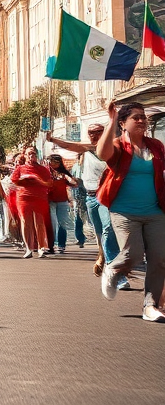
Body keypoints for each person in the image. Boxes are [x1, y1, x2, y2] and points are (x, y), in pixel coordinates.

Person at [94, 101, 165, 323]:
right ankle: (112, 269)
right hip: (124, 211)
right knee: (133, 254)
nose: (142, 120)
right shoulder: (118, 145)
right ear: (124, 123)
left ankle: (150, 306)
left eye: (143, 117)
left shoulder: (155, 146)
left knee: (159, 259)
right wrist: (111, 120)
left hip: (155, 211)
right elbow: (102, 153)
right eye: (136, 117)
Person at [47, 125, 124, 288]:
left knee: (108, 230)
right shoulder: (86, 150)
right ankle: (103, 257)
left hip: (105, 195)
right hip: (89, 197)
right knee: (98, 233)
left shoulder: (109, 148)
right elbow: (71, 147)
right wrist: (53, 139)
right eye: (90, 132)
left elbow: (71, 146)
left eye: (97, 132)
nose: (93, 135)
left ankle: (116, 272)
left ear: (104, 133)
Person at [10, 146, 53, 258]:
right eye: (29, 154)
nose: (31, 156)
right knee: (25, 222)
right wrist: (24, 180)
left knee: (39, 222)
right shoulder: (20, 168)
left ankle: (41, 247)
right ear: (25, 155)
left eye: (33, 153)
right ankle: (28, 248)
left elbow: (49, 184)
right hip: (24, 198)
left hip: (39, 198)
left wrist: (37, 180)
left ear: (36, 155)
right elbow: (14, 181)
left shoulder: (43, 169)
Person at [45, 154, 79, 255]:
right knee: (52, 223)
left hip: (62, 200)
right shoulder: (46, 172)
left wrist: (73, 179)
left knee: (62, 223)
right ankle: (50, 245)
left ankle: (61, 245)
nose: (52, 164)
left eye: (55, 162)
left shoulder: (64, 173)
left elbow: (74, 184)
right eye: (51, 161)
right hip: (50, 200)